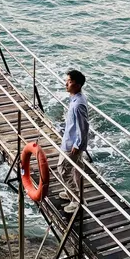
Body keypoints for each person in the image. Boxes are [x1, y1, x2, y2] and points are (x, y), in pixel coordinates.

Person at [59, 69, 89, 213]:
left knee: (63, 170)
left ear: (77, 85)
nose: (66, 84)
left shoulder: (78, 105)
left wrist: (77, 144)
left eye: (69, 82)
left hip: (72, 144)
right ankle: (76, 194)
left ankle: (76, 200)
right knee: (78, 169)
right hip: (70, 140)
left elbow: (83, 127)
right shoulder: (76, 99)